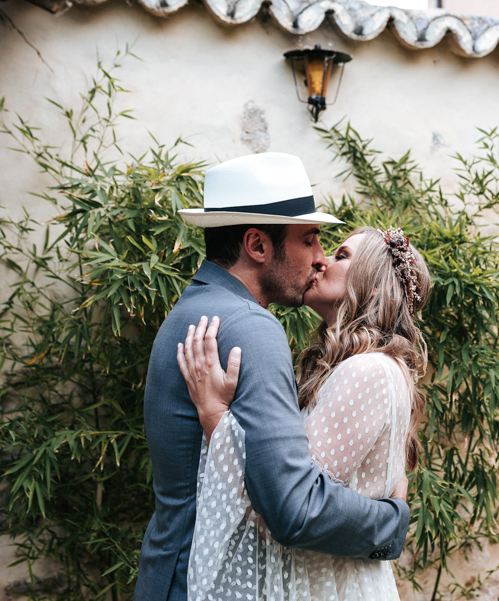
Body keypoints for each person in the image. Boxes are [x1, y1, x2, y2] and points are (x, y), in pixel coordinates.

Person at [134, 153, 411, 601]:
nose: (319, 258)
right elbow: (294, 509)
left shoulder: (192, 308)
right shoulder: (251, 328)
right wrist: (393, 519)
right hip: (201, 581)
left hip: (167, 570)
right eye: (310, 240)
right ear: (258, 246)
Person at [179, 225, 431, 600]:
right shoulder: (363, 367)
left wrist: (215, 415)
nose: (320, 260)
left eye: (341, 256)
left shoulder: (367, 371)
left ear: (376, 285)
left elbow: (286, 511)